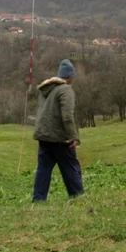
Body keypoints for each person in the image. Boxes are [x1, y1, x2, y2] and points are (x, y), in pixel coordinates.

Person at [32, 59, 84, 201]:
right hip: (59, 137)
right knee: (70, 167)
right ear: (70, 76)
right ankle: (78, 196)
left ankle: (38, 199)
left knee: (43, 169)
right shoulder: (65, 90)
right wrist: (73, 137)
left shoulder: (46, 90)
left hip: (43, 135)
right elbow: (67, 116)